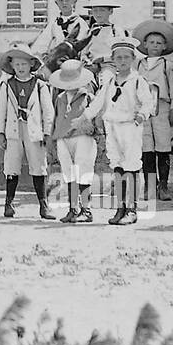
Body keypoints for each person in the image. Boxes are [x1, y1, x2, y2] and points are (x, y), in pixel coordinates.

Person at [86, 38, 153, 226]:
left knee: (131, 165)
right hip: (112, 125)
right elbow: (98, 102)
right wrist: (84, 116)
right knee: (117, 165)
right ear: (113, 60)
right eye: (118, 58)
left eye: (126, 57)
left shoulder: (138, 81)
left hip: (130, 126)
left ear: (132, 59)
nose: (122, 61)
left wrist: (141, 115)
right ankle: (120, 207)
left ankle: (132, 209)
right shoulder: (109, 81)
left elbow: (148, 102)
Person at [0, 44, 55, 220]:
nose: (20, 68)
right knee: (12, 166)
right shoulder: (8, 85)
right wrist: (0, 132)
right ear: (12, 66)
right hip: (14, 130)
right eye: (17, 65)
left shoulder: (40, 85)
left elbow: (48, 111)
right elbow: (1, 110)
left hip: (34, 131)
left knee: (38, 165)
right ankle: (9, 204)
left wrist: (47, 132)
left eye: (24, 64)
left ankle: (43, 205)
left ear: (31, 64)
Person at [47, 59, 100, 224]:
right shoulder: (60, 98)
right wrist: (52, 136)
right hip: (63, 137)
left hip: (81, 136)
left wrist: (94, 129)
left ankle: (86, 209)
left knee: (83, 170)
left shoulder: (88, 96)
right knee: (68, 172)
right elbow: (55, 117)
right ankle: (73, 209)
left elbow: (95, 117)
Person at [133, 19, 173, 203]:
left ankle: (164, 185)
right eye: (151, 42)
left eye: (159, 43)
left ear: (165, 46)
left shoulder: (169, 65)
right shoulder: (137, 64)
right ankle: (150, 185)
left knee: (163, 146)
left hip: (162, 107)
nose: (155, 46)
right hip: (143, 108)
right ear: (144, 44)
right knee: (147, 148)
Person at [29, 0, 90, 66]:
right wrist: (39, 55)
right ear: (56, 3)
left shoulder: (81, 23)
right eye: (61, 0)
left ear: (74, 2)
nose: (64, 3)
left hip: (73, 62)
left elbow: (84, 46)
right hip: (55, 61)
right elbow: (42, 42)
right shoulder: (54, 23)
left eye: (67, 0)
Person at [80, 0, 131, 77]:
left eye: (102, 10)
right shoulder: (89, 31)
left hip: (109, 65)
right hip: (91, 65)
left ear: (110, 11)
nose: (98, 14)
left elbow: (121, 51)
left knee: (106, 78)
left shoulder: (116, 30)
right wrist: (85, 59)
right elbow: (83, 51)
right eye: (95, 11)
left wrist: (103, 59)